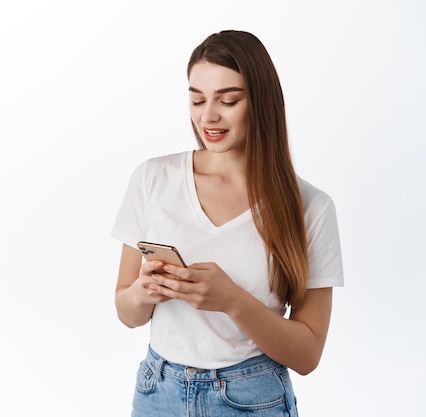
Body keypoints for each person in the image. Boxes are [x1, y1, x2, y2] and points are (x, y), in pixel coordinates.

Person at [111, 30, 343, 417]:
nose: (208, 116)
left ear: (261, 102)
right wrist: (143, 291)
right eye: (197, 98)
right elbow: (126, 311)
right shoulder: (152, 179)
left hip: (252, 398)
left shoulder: (310, 208)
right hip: (158, 391)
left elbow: (307, 354)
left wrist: (232, 301)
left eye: (228, 100)